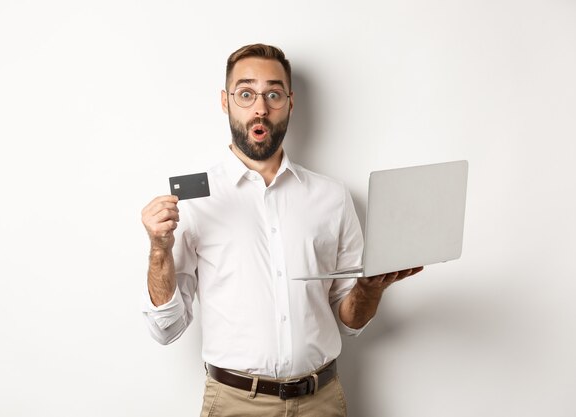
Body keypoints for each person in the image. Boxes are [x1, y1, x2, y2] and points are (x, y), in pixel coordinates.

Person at [141, 43, 423, 417]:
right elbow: (166, 329)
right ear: (226, 102)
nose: (260, 107)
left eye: (273, 94)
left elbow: (350, 322)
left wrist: (369, 289)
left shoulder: (332, 196)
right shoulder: (193, 201)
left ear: (290, 102)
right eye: (246, 94)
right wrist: (159, 249)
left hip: (321, 401)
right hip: (235, 404)